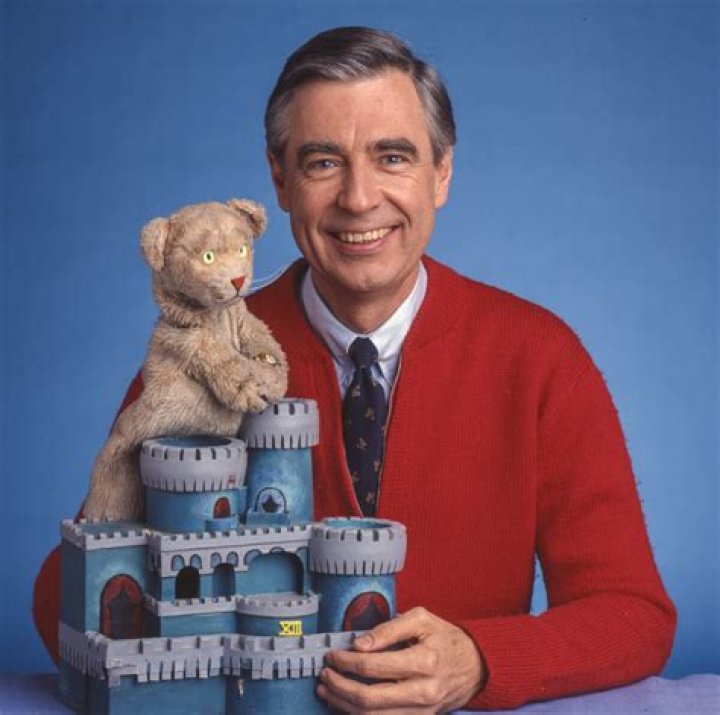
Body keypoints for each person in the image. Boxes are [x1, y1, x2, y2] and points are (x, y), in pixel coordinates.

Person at [34, 26, 676, 712]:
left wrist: (481, 659)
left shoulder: (540, 355)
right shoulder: (199, 347)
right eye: (322, 162)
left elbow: (633, 613)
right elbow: (66, 595)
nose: (360, 198)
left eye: (392, 156)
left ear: (442, 173)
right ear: (279, 181)